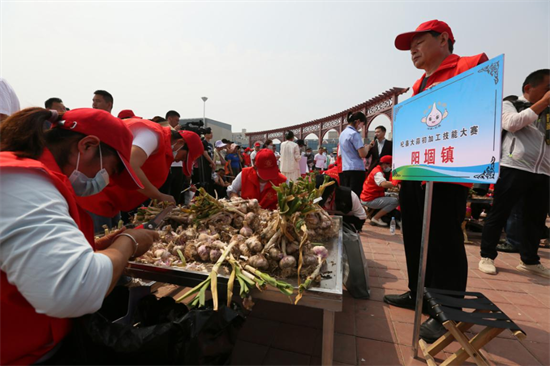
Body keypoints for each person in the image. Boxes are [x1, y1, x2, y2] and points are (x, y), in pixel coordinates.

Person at [0, 108, 158, 365]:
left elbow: (22, 254)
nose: (107, 180)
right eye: (112, 169)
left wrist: (92, 247)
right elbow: (75, 289)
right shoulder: (24, 182)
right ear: (87, 146)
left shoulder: (31, 180)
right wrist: (126, 244)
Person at [383, 19, 490, 343]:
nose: (413, 50)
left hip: (446, 174)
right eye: (409, 46)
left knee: (444, 241)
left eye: (419, 41)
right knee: (414, 235)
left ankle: (446, 313)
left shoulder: (471, 66)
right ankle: (419, 294)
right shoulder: (416, 87)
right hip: (414, 174)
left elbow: (480, 113)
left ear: (443, 39)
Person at [479, 69, 550, 278]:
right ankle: (487, 256)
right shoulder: (510, 104)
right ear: (529, 88)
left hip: (543, 172)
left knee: (535, 220)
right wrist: (543, 103)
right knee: (499, 213)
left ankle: (530, 261)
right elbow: (511, 124)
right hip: (514, 167)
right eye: (548, 88)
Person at [78, 117, 204, 223]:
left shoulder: (164, 150)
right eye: (182, 157)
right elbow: (131, 166)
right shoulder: (152, 135)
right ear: (180, 143)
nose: (178, 161)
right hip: (95, 199)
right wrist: (159, 195)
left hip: (111, 204)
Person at [360, 155, 399, 227]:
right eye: (390, 165)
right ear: (384, 164)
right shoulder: (378, 172)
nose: (390, 167)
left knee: (393, 194)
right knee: (395, 201)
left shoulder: (378, 170)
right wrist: (395, 183)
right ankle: (376, 218)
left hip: (371, 195)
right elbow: (383, 184)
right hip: (369, 199)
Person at [338, 111, 367, 197]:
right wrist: (367, 148)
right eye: (362, 124)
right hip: (357, 169)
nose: (361, 127)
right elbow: (362, 154)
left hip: (346, 168)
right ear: (358, 121)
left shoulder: (342, 134)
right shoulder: (354, 134)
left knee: (347, 195)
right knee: (355, 195)